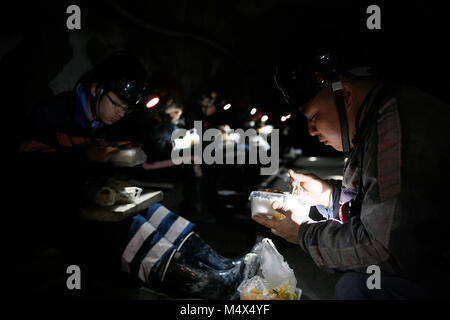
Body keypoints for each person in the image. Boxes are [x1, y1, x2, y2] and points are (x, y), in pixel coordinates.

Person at [12, 52, 247, 299]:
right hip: (52, 217)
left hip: (84, 202)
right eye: (116, 104)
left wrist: (110, 163)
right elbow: (29, 175)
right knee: (129, 227)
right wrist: (85, 156)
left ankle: (223, 268)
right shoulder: (52, 114)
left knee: (152, 211)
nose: (120, 113)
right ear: (96, 89)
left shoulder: (99, 122)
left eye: (126, 108)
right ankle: (213, 286)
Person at [252, 49, 450, 299]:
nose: (311, 130)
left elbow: (382, 247)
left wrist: (303, 232)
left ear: (345, 95)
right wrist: (328, 194)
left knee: (358, 288)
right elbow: (377, 205)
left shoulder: (396, 131)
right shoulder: (377, 119)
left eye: (314, 116)